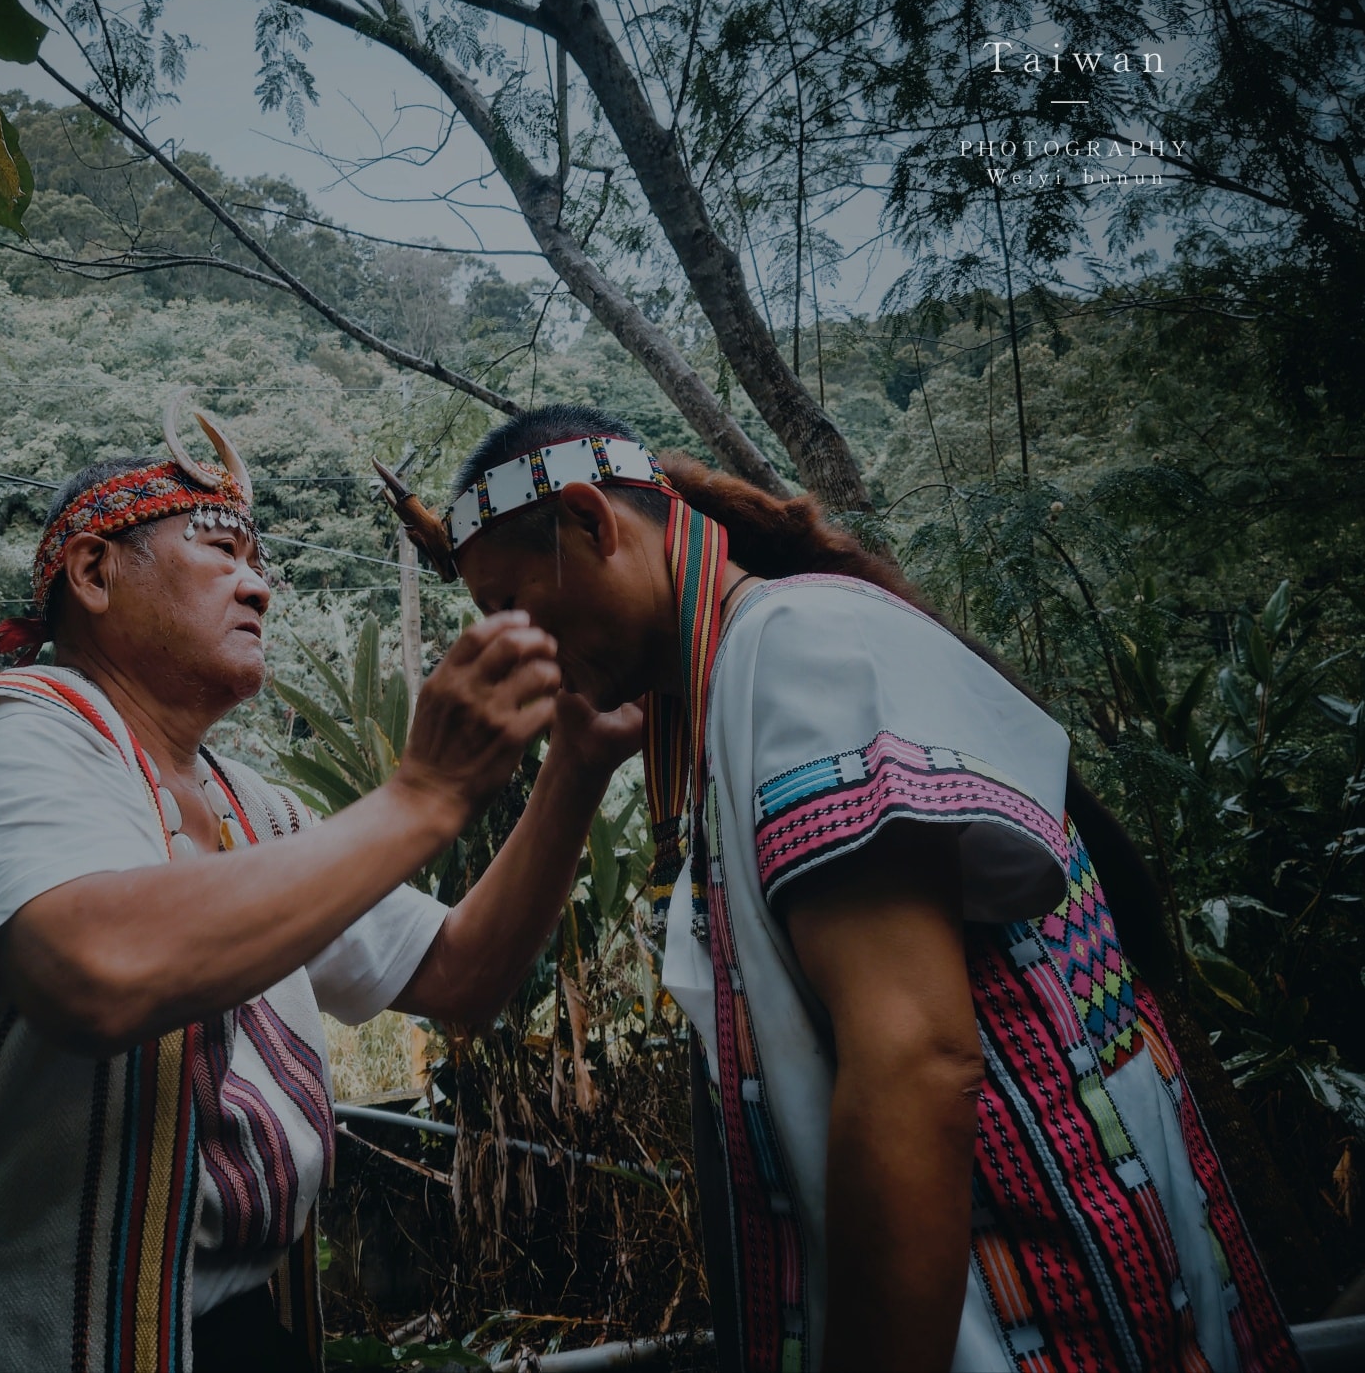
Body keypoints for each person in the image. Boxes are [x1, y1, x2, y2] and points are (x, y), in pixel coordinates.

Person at [379, 405, 1301, 1372]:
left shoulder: (792, 648)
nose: (521, 652)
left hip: (1031, 1309)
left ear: (590, 521)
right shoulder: (753, 665)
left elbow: (913, 1056)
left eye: (517, 611)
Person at [0, 398, 641, 1373]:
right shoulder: (3, 730)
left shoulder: (249, 807)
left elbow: (459, 975)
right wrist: (424, 796)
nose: (256, 586)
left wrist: (577, 769)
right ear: (93, 571)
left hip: (226, 1333)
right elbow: (95, 970)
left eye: (258, 563)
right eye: (220, 550)